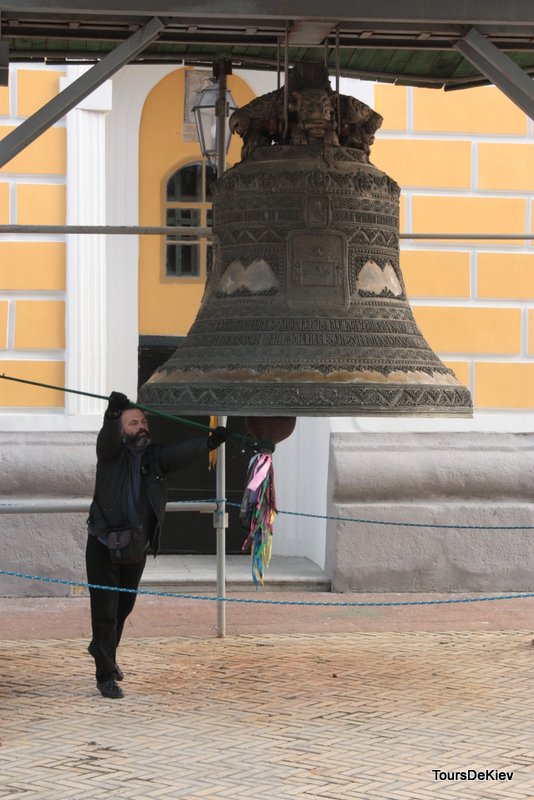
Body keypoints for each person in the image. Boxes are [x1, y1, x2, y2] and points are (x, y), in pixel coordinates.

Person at [86, 391, 228, 699]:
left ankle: (103, 649)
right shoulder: (111, 454)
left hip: (135, 546)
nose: (141, 427)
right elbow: (106, 439)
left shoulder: (154, 456)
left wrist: (209, 443)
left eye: (143, 421)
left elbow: (181, 452)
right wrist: (112, 415)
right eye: (133, 422)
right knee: (105, 611)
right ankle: (105, 675)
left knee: (123, 608)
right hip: (103, 544)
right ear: (123, 430)